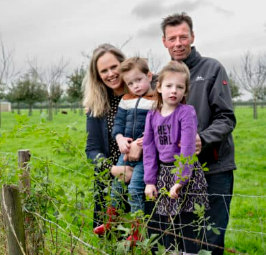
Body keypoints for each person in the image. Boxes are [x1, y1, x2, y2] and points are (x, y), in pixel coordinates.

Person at [159, 13, 237, 254]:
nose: (178, 43)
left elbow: (226, 117)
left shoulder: (212, 69)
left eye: (183, 36)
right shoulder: (164, 76)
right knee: (186, 237)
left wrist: (202, 139)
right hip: (179, 171)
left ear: (192, 37)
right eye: (172, 38)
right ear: (164, 42)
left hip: (213, 167)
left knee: (211, 236)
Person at [143, 61, 209, 254]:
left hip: (185, 172)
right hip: (163, 173)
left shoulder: (186, 112)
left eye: (179, 87)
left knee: (186, 224)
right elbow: (148, 148)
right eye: (169, 86)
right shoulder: (152, 115)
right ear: (159, 87)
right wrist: (150, 181)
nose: (174, 91)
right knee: (167, 224)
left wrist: (180, 180)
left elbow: (188, 147)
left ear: (185, 90)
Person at [93, 57, 156, 242]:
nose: (135, 86)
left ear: (149, 76)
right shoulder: (126, 100)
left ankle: (137, 232)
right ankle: (111, 222)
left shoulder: (156, 100)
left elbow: (159, 126)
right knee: (116, 188)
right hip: (125, 152)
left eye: (138, 80)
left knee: (136, 190)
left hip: (146, 156)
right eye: (130, 83)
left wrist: (143, 141)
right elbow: (118, 124)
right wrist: (119, 138)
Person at [83, 44, 134, 232]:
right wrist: (114, 169)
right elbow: (92, 150)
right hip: (110, 182)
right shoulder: (97, 106)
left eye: (114, 67)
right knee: (112, 240)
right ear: (97, 76)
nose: (110, 73)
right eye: (104, 71)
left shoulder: (144, 95)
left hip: (143, 179)